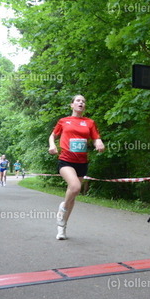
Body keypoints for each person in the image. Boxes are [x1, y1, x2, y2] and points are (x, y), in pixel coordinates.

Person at [48, 94, 104, 240]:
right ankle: (63, 208)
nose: (81, 103)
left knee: (73, 195)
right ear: (72, 105)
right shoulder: (63, 121)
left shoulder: (90, 122)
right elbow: (52, 136)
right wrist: (52, 145)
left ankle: (62, 227)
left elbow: (95, 137)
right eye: (78, 100)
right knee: (75, 187)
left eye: (83, 101)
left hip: (82, 162)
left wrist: (98, 142)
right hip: (66, 160)